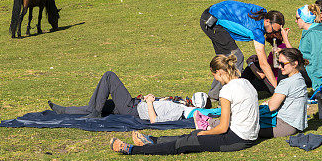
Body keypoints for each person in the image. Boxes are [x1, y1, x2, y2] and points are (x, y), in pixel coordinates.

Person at [110, 54, 259, 155]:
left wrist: (205, 132)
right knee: (193, 135)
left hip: (237, 140)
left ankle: (132, 150)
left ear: (219, 72)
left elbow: (223, 127)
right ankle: (152, 140)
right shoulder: (245, 82)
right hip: (248, 136)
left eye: (214, 76)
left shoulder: (227, 91)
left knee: (186, 142)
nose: (215, 79)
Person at [200, 0, 285, 99]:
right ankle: (228, 95)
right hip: (211, 22)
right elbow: (263, 64)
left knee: (224, 60)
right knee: (236, 58)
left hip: (212, 14)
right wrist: (277, 88)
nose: (274, 32)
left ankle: (214, 95)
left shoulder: (262, 12)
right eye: (274, 30)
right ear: (267, 21)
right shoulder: (256, 30)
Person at [48, 71, 206, 122]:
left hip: (132, 109)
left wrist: (150, 103)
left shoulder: (179, 112)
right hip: (135, 104)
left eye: (191, 101)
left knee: (109, 76)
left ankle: (94, 112)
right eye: (189, 98)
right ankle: (66, 111)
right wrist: (149, 98)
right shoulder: (179, 104)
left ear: (195, 107)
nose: (187, 100)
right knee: (100, 104)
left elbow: (154, 120)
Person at [259, 48, 309, 138]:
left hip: (283, 125)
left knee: (245, 128)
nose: (279, 67)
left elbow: (272, 106)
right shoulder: (300, 79)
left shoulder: (287, 83)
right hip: (296, 124)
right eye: (278, 63)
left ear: (294, 63)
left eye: (282, 64)